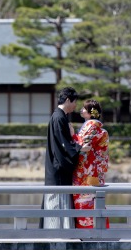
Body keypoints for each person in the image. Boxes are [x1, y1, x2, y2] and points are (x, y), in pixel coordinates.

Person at [41, 86, 87, 229]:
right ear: (68, 100)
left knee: (58, 204)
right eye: (74, 102)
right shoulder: (59, 117)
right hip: (58, 169)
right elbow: (64, 145)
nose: (75, 106)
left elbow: (64, 143)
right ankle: (57, 236)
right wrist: (79, 148)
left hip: (57, 167)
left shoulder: (59, 116)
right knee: (57, 204)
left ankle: (58, 235)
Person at [72, 99, 109, 229]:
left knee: (85, 198)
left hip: (87, 170)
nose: (81, 110)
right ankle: (99, 228)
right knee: (93, 199)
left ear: (90, 112)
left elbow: (81, 144)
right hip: (93, 170)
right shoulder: (95, 127)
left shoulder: (91, 126)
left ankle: (87, 230)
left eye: (84, 108)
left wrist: (72, 135)